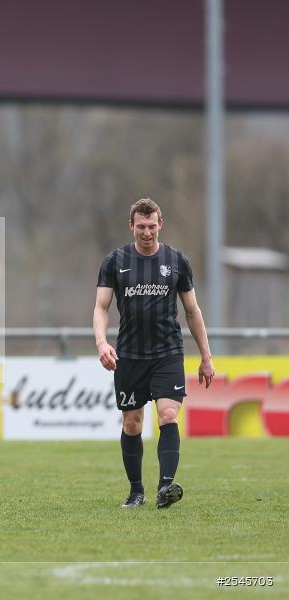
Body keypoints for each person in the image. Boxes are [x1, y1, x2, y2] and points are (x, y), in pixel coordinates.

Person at [94, 198, 215, 509]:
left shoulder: (177, 261)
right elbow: (101, 307)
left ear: (161, 224)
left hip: (167, 352)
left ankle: (165, 488)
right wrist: (102, 343)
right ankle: (136, 492)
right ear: (131, 226)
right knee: (132, 423)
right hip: (130, 355)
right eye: (141, 226)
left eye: (151, 226)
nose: (146, 232)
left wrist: (206, 357)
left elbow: (192, 311)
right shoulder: (114, 260)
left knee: (168, 415)